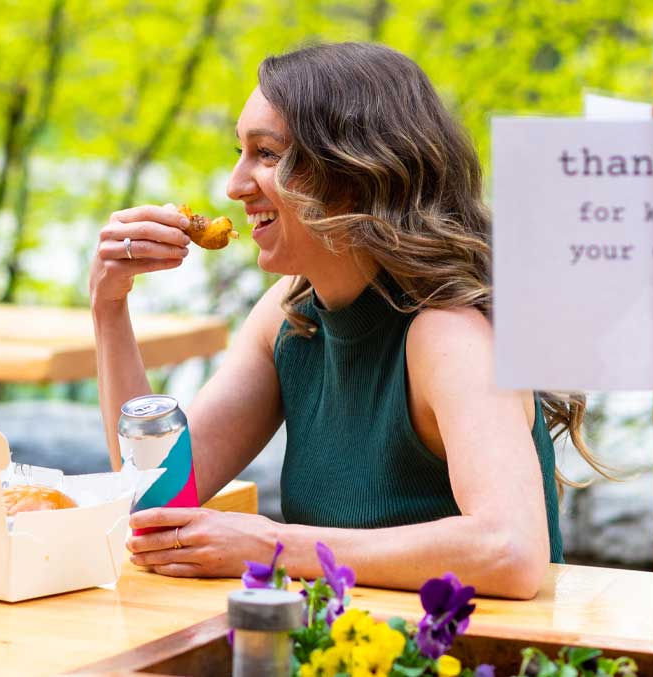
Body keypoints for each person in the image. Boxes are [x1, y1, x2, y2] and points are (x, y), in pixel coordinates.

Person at [90, 42, 613, 599]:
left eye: (266, 154)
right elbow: (154, 493)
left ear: (353, 171)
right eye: (240, 152)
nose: (235, 185)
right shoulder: (289, 316)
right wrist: (109, 307)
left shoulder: (447, 335)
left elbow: (511, 550)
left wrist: (272, 546)